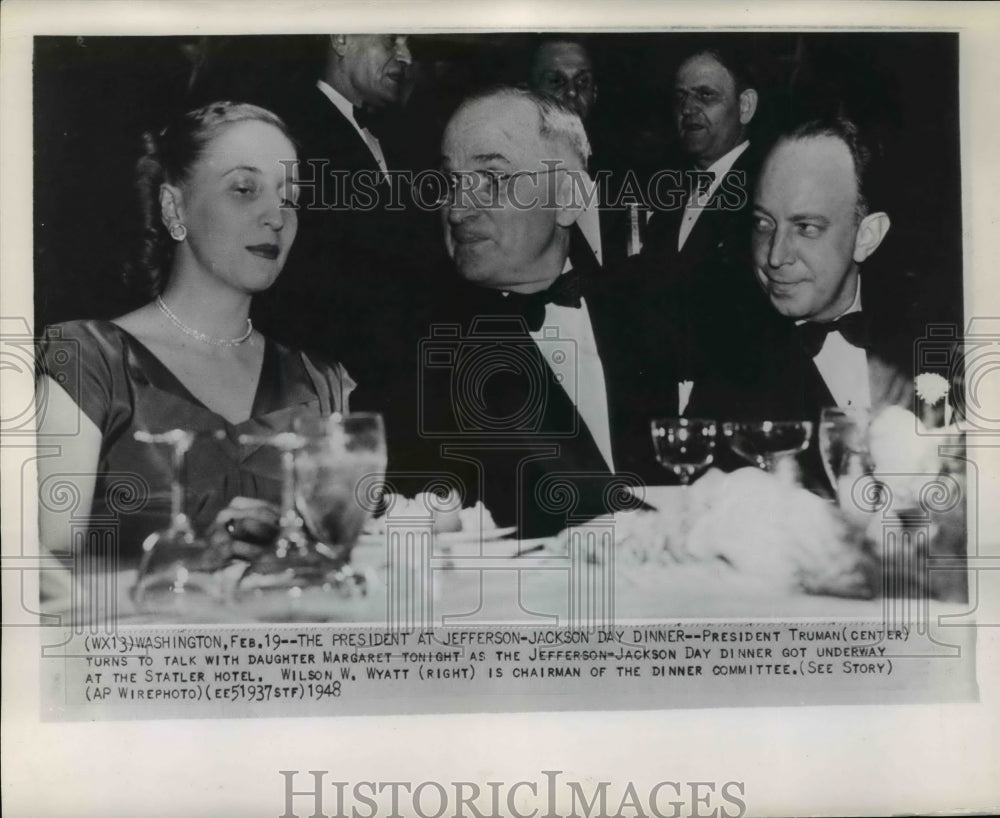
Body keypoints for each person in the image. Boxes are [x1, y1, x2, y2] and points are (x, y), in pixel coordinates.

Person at [35, 101, 354, 566]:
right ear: (174, 206)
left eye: (291, 198)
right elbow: (44, 576)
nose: (277, 216)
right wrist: (188, 565)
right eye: (245, 188)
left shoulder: (322, 383)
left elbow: (336, 567)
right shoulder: (86, 360)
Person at [358, 87, 672, 536]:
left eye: (492, 179)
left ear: (568, 196)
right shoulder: (411, 353)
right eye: (451, 182)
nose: (458, 209)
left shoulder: (652, 317)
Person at [687, 117, 924, 486]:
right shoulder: (728, 373)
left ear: (867, 236)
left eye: (806, 228)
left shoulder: (934, 343)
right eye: (764, 224)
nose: (775, 256)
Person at [248, 34, 447, 385]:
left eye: (408, 42)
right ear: (341, 39)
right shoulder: (290, 131)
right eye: (391, 40)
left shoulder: (396, 132)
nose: (406, 56)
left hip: (398, 371)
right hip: (329, 377)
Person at [639, 46, 773, 414]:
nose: (688, 109)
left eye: (705, 95)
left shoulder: (769, 187)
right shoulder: (669, 194)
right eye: (680, 97)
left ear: (745, 106)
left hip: (742, 406)